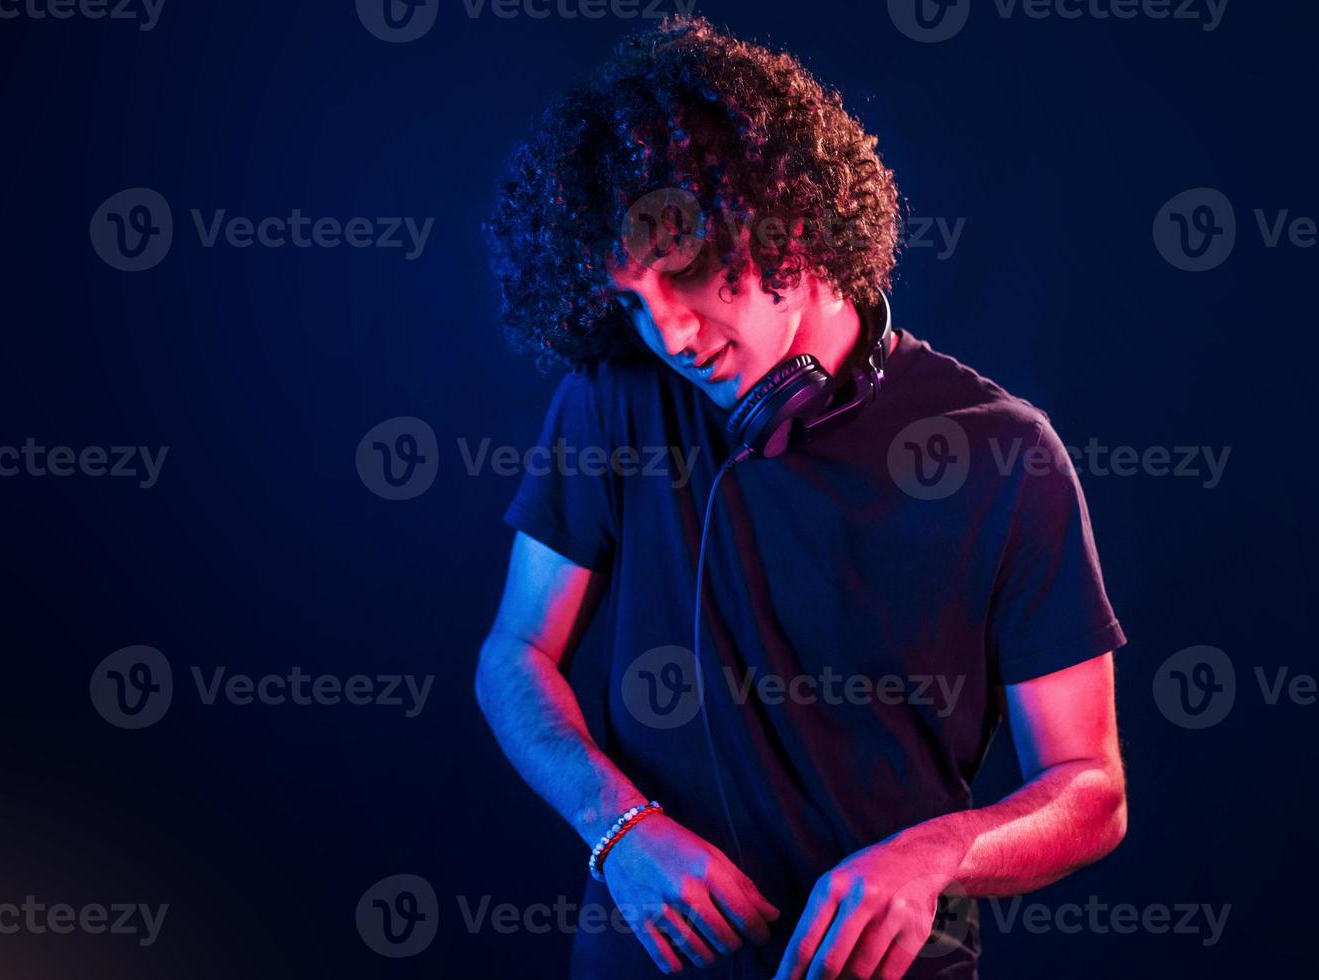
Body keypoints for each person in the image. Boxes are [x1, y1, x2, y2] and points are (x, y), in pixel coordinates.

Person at [476, 15, 1127, 979]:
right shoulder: (613, 401)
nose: (672, 336)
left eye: (691, 274)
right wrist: (619, 830)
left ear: (788, 217)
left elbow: (1091, 788)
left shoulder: (1004, 454)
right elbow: (514, 655)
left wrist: (936, 853)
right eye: (632, 303)